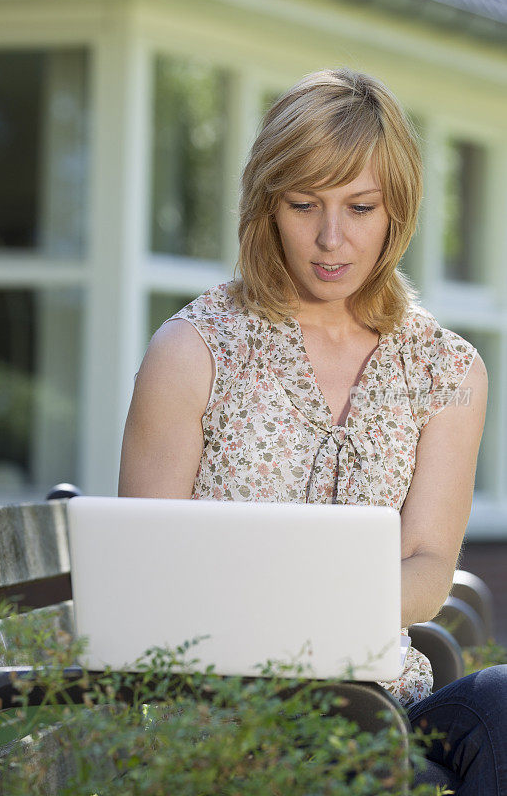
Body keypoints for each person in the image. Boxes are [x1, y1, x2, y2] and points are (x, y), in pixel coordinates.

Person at [119, 68, 506, 793]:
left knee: (502, 701)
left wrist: (300, 599)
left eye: (360, 207)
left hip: (388, 703)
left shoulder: (446, 367)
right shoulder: (195, 349)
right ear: (267, 206)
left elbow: (425, 565)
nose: (331, 239)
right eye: (303, 205)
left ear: (398, 212)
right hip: (231, 707)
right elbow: (149, 573)